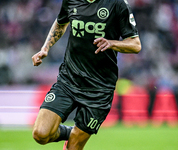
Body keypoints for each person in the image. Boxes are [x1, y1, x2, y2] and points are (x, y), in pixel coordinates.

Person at [31, 0, 141, 149]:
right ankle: (72, 133)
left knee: (74, 146)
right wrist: (45, 48)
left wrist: (112, 43)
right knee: (40, 134)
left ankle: (76, 135)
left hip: (100, 88)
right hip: (69, 80)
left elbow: (135, 44)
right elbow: (61, 22)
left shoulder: (118, 3)